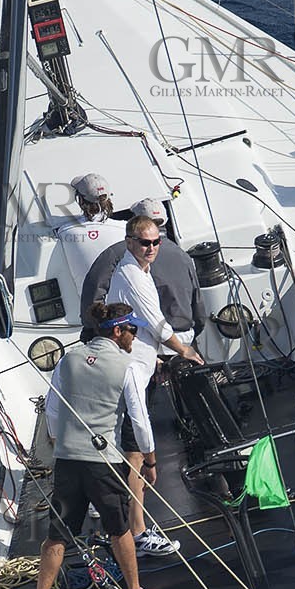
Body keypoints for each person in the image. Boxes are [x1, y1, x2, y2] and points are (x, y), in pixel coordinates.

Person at [30, 303, 159, 589]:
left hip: (67, 461)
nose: (134, 336)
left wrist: (60, 442)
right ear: (117, 331)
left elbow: (53, 410)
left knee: (58, 534)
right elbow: (140, 421)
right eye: (132, 330)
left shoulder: (68, 360)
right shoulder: (128, 367)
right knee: (119, 529)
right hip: (103, 462)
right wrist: (150, 459)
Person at [106, 211, 203, 556]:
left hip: (141, 366)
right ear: (130, 243)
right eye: (144, 242)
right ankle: (138, 532)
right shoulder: (132, 276)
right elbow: (157, 325)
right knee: (134, 454)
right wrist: (185, 350)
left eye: (156, 242)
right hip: (131, 374)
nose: (151, 248)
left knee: (126, 449)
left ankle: (122, 518)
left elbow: (143, 329)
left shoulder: (140, 271)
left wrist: (157, 360)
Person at [80, 195, 200, 342]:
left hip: (144, 342)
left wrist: (93, 329)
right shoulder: (183, 256)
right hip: (184, 337)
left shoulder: (115, 253)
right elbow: (197, 304)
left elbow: (94, 291)